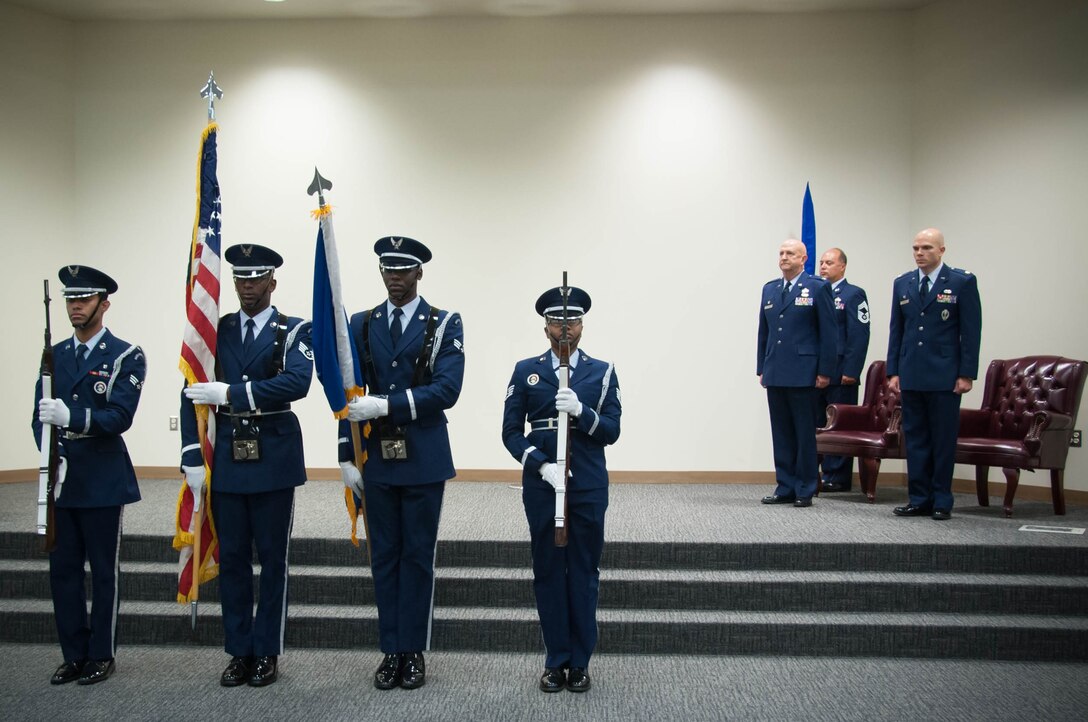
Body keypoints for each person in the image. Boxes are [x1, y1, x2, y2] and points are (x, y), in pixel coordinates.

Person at [180, 244, 313, 687]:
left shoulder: (294, 330)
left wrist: (234, 395)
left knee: (273, 559)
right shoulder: (216, 331)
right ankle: (239, 650)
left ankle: (267, 651)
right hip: (228, 462)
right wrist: (191, 456)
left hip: (273, 455)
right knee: (233, 557)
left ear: (272, 282)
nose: (246, 287)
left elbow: (297, 381)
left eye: (256, 279)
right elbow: (192, 387)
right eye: (240, 279)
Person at [338, 236, 464, 691]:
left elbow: (446, 390)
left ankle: (414, 651)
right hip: (375, 459)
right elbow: (348, 396)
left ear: (419, 273)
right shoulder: (361, 322)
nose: (395, 279)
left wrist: (386, 406)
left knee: (416, 558)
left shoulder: (444, 323)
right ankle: (390, 649)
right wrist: (344, 456)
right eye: (388, 271)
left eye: (404, 270)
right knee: (383, 557)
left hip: (423, 456)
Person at [501, 285, 622, 693]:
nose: (564, 329)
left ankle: (581, 662)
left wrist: (582, 412)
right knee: (548, 571)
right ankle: (556, 660)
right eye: (556, 322)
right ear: (546, 327)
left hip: (587, 482)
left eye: (571, 321)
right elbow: (510, 434)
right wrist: (540, 465)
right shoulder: (525, 370)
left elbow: (612, 431)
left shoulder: (601, 372)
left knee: (584, 571)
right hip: (542, 485)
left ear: (582, 326)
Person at [33, 265, 146, 685]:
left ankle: (101, 652)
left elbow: (119, 415)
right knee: (62, 572)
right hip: (61, 479)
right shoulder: (55, 354)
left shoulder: (124, 354)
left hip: (101, 478)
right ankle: (73, 653)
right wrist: (50, 453)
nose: (75, 306)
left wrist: (73, 417)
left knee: (102, 572)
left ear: (104, 303)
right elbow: (38, 416)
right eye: (69, 299)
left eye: (83, 299)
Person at [887, 228, 981, 521]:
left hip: (944, 375)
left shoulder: (961, 281)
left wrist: (967, 374)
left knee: (942, 440)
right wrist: (894, 371)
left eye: (926, 247)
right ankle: (919, 498)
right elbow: (896, 331)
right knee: (914, 439)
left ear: (941, 250)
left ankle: (941, 499)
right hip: (912, 372)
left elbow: (970, 331)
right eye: (915, 248)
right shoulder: (903, 283)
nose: (919, 253)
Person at [758, 239, 836, 507]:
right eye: (781, 253)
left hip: (804, 371)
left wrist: (825, 370)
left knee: (803, 433)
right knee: (781, 432)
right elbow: (764, 333)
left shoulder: (817, 287)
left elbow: (829, 333)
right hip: (776, 370)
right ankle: (785, 486)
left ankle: (805, 487)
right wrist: (762, 366)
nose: (784, 257)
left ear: (804, 258)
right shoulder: (770, 289)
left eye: (790, 253)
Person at [816, 248, 871, 492]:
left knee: (839, 424)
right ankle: (819, 472)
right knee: (818, 423)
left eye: (829, 262)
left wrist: (852, 370)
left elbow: (859, 335)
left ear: (842, 267)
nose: (823, 267)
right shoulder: (816, 292)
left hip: (841, 373)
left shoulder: (853, 294)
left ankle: (837, 477)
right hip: (818, 371)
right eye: (821, 262)